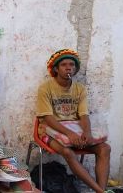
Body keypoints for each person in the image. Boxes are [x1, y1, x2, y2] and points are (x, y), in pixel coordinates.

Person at [36, 49, 115, 193]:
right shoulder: (45, 88)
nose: (69, 68)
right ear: (55, 68)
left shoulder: (80, 89)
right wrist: (70, 134)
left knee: (105, 148)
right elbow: (48, 118)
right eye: (64, 65)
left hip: (75, 129)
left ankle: (100, 190)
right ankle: (101, 191)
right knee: (68, 152)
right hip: (47, 130)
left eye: (72, 65)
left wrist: (87, 132)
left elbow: (84, 115)